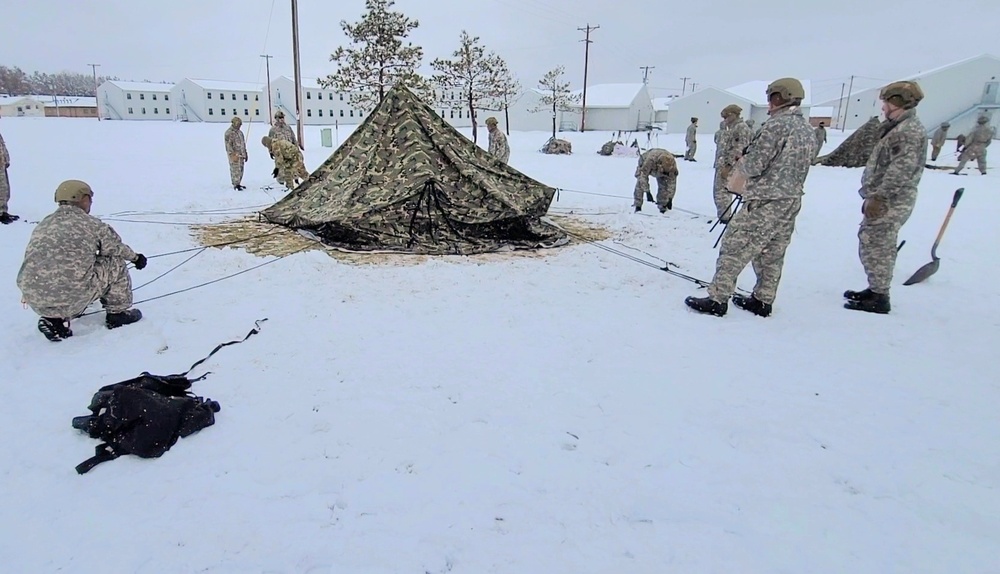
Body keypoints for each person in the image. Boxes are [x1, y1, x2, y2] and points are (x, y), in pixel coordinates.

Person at [685, 78, 816, 318]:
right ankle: (762, 300)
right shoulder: (807, 129)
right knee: (772, 252)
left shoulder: (776, 126)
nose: (768, 102)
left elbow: (755, 164)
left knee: (734, 246)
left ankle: (717, 298)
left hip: (764, 200)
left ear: (779, 98)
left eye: (770, 97)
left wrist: (741, 164)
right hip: (790, 200)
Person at [16, 180, 146, 341]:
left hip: (34, 296)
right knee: (115, 262)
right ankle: (118, 313)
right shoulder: (92, 224)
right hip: (71, 296)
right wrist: (136, 258)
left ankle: (53, 319)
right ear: (83, 198)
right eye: (90, 198)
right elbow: (115, 248)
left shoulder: (45, 223)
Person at [844, 81, 927, 314]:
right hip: (885, 197)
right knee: (873, 241)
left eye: (887, 102)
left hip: (891, 200)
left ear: (899, 102)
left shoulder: (907, 131)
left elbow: (901, 169)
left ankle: (880, 296)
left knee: (878, 243)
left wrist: (879, 197)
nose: (883, 108)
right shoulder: (898, 127)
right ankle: (876, 289)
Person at [714, 104, 753, 223]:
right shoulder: (731, 128)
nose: (724, 120)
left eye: (726, 117)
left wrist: (728, 166)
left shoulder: (741, 128)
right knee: (720, 192)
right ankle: (723, 216)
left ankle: (725, 218)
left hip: (729, 167)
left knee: (722, 192)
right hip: (723, 164)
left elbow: (739, 149)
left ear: (733, 115)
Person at [633, 149, 678, 213]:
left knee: (664, 185)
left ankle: (663, 205)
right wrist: (647, 192)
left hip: (658, 167)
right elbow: (643, 177)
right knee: (640, 184)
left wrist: (670, 198)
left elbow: (672, 182)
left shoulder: (672, 166)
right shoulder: (650, 160)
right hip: (646, 163)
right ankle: (638, 205)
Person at [0, 125, 18, 224]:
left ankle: (3, 211)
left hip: (1, 164)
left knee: (4, 190)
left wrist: (6, 159)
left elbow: (2, 147)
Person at [225, 116, 248, 190]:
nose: (239, 126)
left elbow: (243, 144)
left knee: (240, 170)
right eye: (238, 124)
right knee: (235, 169)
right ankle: (236, 184)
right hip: (235, 155)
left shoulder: (240, 133)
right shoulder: (229, 133)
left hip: (241, 155)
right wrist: (232, 154)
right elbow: (228, 145)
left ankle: (239, 183)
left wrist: (245, 153)